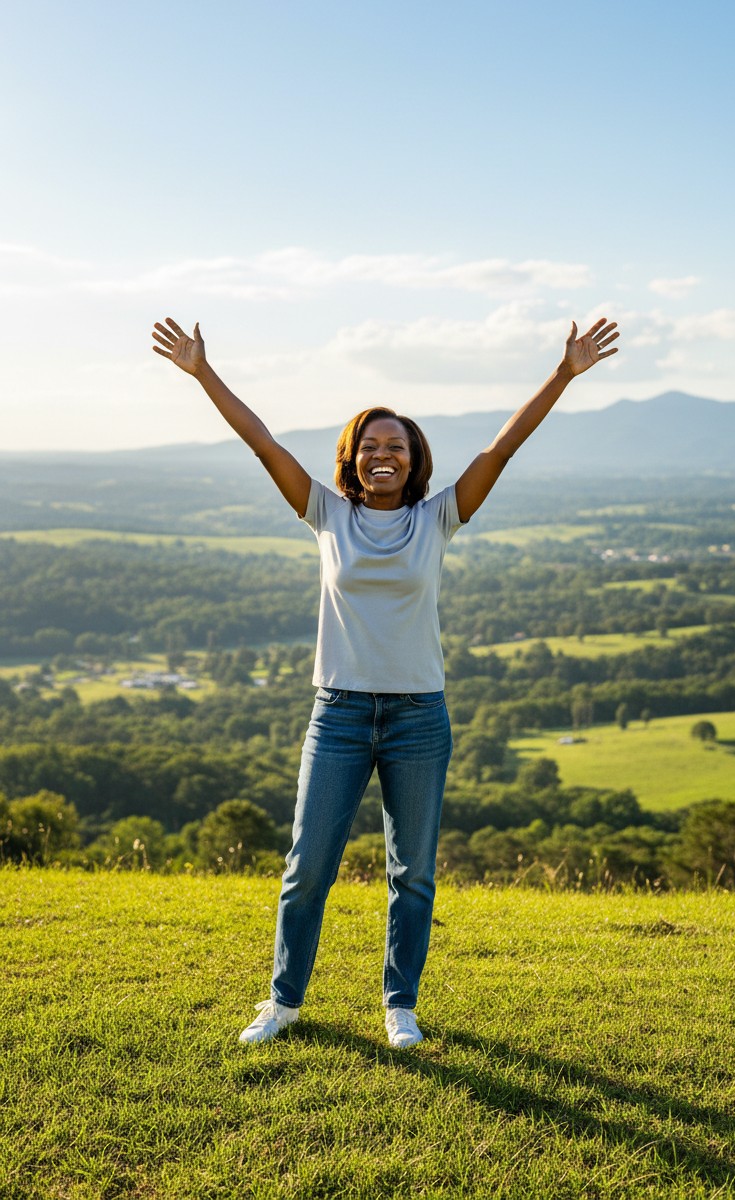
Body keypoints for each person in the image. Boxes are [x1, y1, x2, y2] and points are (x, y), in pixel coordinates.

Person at [151, 314, 619, 1048]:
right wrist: (203, 371)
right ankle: (283, 1003)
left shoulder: (438, 520)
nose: (382, 456)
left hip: (417, 718)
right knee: (307, 868)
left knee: (415, 874)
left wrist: (563, 373)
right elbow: (262, 442)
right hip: (337, 714)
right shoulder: (326, 515)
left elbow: (502, 446)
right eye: (370, 446)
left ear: (413, 459)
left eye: (395, 446)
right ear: (352, 457)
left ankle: (399, 1005)